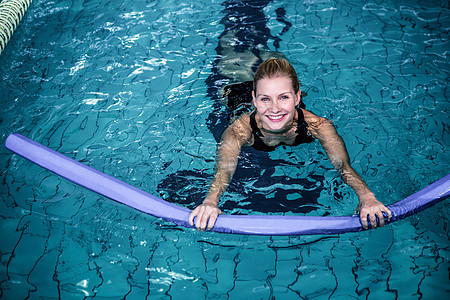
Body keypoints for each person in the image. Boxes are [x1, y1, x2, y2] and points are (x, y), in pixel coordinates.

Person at [189, 57, 392, 231]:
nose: (275, 108)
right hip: (237, 98)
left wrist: (367, 196)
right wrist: (210, 201)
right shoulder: (239, 131)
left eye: (284, 97)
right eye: (265, 99)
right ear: (255, 100)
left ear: (297, 97)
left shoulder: (318, 126)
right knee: (229, 76)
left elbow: (343, 166)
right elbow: (223, 171)